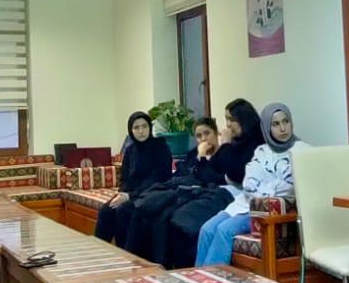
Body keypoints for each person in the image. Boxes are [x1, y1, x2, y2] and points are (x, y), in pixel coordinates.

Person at [137, 98, 267, 268]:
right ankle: (195, 274)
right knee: (167, 218)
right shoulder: (232, 144)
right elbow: (209, 168)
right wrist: (202, 157)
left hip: (235, 196)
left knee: (181, 218)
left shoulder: (256, 144)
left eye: (231, 119)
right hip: (214, 193)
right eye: (226, 120)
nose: (228, 125)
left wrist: (224, 146)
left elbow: (235, 173)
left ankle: (206, 274)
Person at [194, 102, 310, 267]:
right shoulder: (262, 151)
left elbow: (290, 186)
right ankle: (199, 278)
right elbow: (248, 183)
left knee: (224, 230)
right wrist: (272, 187)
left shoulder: (302, 151)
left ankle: (213, 281)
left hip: (269, 212)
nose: (283, 128)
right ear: (267, 127)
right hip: (245, 203)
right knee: (207, 229)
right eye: (276, 124)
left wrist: (263, 189)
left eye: (286, 122)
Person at [93, 111, 173, 246]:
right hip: (132, 193)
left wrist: (130, 196)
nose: (141, 131)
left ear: (150, 128)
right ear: (131, 130)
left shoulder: (160, 147)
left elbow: (158, 178)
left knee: (123, 211)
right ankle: (99, 250)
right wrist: (122, 193)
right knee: (106, 210)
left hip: (154, 193)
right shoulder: (130, 150)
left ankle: (125, 253)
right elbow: (125, 178)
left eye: (144, 126)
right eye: (136, 127)